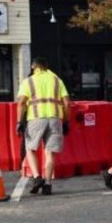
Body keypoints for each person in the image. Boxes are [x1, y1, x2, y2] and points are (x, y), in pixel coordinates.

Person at [16, 56, 71, 196]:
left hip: (36, 118)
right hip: (55, 119)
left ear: (34, 67)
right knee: (50, 153)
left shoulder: (29, 81)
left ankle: (36, 177)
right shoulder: (57, 80)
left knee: (30, 148)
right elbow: (66, 103)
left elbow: (21, 102)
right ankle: (47, 183)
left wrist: (19, 121)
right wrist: (66, 121)